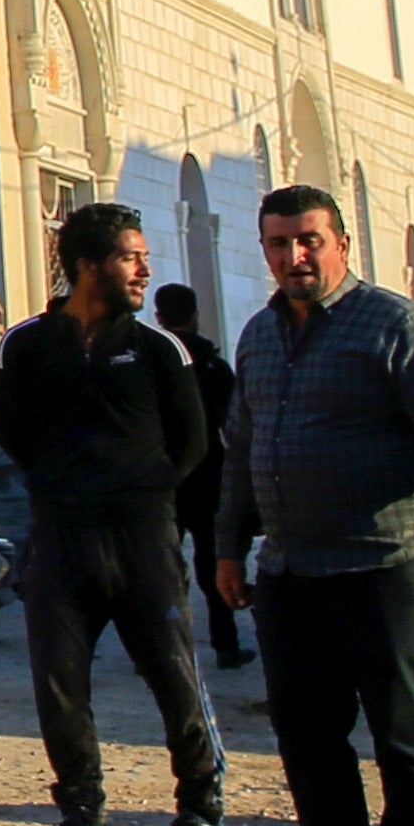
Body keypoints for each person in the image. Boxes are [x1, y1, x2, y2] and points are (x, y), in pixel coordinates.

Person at [214, 183, 414, 826]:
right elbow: (243, 451)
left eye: (309, 239)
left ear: (342, 243)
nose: (295, 255)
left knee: (405, 735)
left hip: (389, 566)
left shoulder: (397, 327)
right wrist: (227, 546)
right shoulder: (259, 336)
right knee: (308, 736)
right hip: (292, 572)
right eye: (279, 243)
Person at [0, 202, 227, 826]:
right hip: (60, 540)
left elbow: (192, 444)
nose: (144, 269)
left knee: (173, 676)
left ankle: (203, 814)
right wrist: (70, 489)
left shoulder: (159, 350)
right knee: (58, 682)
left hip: (143, 540)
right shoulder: (26, 346)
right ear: (87, 265)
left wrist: (136, 492)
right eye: (131, 256)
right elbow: (17, 435)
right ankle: (83, 820)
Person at [155, 281, 246, 666]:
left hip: (163, 480)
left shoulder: (150, 361)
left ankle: (164, 646)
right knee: (214, 565)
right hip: (208, 479)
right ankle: (226, 645)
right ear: (195, 316)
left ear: (159, 317)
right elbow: (237, 423)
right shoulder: (213, 365)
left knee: (161, 566)